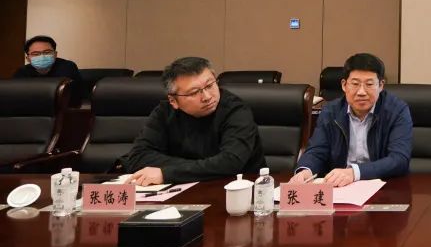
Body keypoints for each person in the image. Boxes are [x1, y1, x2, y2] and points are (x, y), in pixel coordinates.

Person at [120, 56, 265, 185]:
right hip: (179, 192)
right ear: (173, 101)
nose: (207, 97)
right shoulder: (164, 112)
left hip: (235, 191)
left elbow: (230, 163)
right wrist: (199, 168)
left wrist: (166, 173)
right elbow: (138, 157)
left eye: (210, 85)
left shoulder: (236, 110)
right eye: (194, 92)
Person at [290, 53, 412, 186]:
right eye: (355, 84)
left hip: (384, 186)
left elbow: (399, 159)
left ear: (381, 85)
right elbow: (317, 151)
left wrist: (355, 173)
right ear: (344, 85)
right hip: (340, 187)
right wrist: (305, 171)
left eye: (369, 84)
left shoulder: (397, 111)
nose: (361, 92)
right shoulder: (331, 111)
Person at [13, 35, 84, 104]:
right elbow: (17, 98)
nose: (42, 56)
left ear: (55, 54)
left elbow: (77, 96)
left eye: (47, 52)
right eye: (35, 54)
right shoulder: (22, 72)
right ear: (28, 58)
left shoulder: (68, 67)